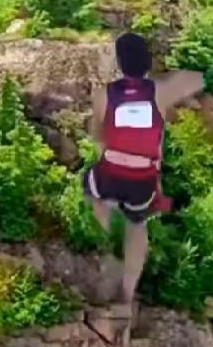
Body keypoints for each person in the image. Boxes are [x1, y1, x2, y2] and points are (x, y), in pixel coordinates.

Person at [85, 31, 204, 305]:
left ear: (119, 62)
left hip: (109, 174)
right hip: (142, 181)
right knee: (137, 225)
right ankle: (128, 288)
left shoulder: (104, 95)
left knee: (93, 191)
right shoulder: (160, 92)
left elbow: (97, 139)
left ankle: (103, 239)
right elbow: (196, 79)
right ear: (147, 61)